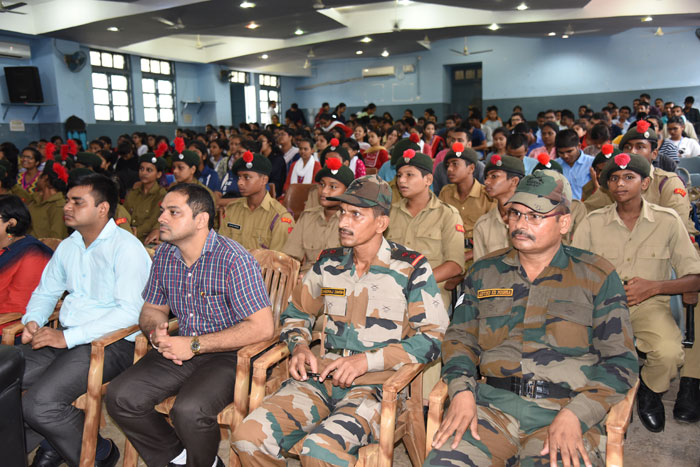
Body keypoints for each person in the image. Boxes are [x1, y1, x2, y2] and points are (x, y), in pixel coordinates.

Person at [231, 175, 449, 466]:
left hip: (376, 388)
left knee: (318, 452)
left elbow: (432, 339)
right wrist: (299, 347)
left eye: (357, 215)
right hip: (320, 379)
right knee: (246, 436)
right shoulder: (329, 263)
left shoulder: (410, 267)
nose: (344, 222)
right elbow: (296, 313)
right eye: (343, 213)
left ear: (381, 223)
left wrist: (364, 362)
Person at [427, 170, 638, 467]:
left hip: (564, 410)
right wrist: (461, 391)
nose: (520, 224)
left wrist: (578, 414)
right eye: (515, 213)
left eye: (535, 216)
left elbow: (621, 362)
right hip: (491, 409)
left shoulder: (596, 275)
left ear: (564, 222)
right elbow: (460, 340)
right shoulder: (484, 272)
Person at [106, 183, 273, 467]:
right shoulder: (165, 255)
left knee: (189, 410)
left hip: (230, 354)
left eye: (173, 212)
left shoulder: (233, 259)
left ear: (201, 220)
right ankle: (185, 459)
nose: (162, 218)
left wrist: (195, 345)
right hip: (181, 345)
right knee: (120, 396)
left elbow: (262, 327)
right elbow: (152, 309)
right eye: (162, 211)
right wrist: (156, 331)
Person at [18, 173, 151, 467]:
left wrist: (66, 338)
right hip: (65, 336)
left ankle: (101, 453)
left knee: (40, 404)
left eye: (77, 202)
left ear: (102, 209)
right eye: (68, 200)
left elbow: (131, 313)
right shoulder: (70, 245)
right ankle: (49, 440)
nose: (68, 207)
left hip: (111, 344)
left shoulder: (126, 248)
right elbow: (46, 292)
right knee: (7, 375)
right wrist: (33, 321)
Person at [573, 152, 700, 430]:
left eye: (629, 177)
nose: (621, 183)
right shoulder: (592, 222)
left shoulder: (667, 221)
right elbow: (573, 273)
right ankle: (595, 400)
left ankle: (650, 392)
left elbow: (694, 278)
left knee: (668, 354)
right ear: (606, 186)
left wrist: (654, 287)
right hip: (600, 306)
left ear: (645, 183)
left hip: (650, 305)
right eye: (614, 178)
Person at [386, 148, 464, 309]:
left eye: (409, 175)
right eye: (399, 175)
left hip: (429, 293)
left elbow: (455, 265)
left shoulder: (447, 214)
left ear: (428, 180)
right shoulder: (389, 214)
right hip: (390, 292)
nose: (401, 181)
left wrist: (415, 281)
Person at [282, 158, 353, 275]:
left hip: (339, 285)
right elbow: (290, 257)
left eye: (333, 187)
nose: (324, 191)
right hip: (305, 279)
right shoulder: (308, 217)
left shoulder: (353, 222)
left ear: (347, 192)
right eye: (322, 184)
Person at [218, 151, 295, 251]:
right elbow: (222, 247)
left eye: (247, 177)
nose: (240, 182)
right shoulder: (232, 210)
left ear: (264, 180)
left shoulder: (279, 217)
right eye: (239, 177)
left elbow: (279, 261)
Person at [439, 143, 495, 269]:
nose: (449, 169)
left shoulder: (487, 196)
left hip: (479, 256)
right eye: (447, 165)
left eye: (455, 164)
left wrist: (463, 257)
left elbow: (493, 239)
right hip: (449, 254)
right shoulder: (446, 192)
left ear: (471, 168)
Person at [0, 195, 53, 329]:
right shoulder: (4, 247)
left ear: (11, 223)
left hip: (9, 330)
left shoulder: (33, 254)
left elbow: (17, 308)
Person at [472, 155, 525, 261]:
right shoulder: (483, 224)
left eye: (494, 176)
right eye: (486, 177)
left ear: (514, 181)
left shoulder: (534, 220)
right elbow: (479, 270)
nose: (486, 181)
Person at [125, 149, 168, 244]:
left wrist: (133, 233)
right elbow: (125, 215)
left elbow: (153, 220)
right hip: (128, 237)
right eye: (141, 169)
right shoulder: (133, 193)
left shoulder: (162, 195)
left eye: (149, 170)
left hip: (147, 240)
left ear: (158, 174)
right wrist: (126, 231)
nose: (144, 173)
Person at [28, 159, 69, 240]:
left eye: (40, 176)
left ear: (45, 178)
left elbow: (56, 238)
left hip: (41, 250)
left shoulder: (58, 206)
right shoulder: (34, 201)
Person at [554, 129, 594, 200]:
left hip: (586, 208)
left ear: (579, 146)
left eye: (569, 151)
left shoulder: (592, 163)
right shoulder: (554, 165)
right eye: (561, 153)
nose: (565, 156)